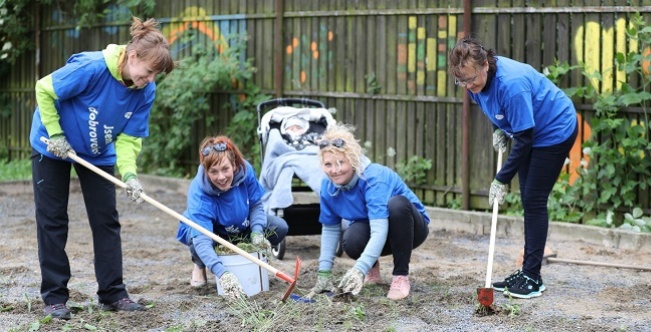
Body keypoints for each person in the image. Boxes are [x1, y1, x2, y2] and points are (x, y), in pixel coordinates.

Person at [29, 17, 175, 320]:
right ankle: (55, 297)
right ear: (132, 56)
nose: (149, 80)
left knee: (106, 220)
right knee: (53, 219)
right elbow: (44, 88)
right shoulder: (91, 68)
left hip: (97, 152)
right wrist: (56, 135)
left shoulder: (144, 91)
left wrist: (131, 175)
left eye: (154, 76)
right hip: (51, 144)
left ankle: (113, 293)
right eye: (148, 72)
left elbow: (129, 139)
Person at [449, 36, 578, 299]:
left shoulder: (512, 85)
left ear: (486, 64)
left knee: (534, 198)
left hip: (554, 129)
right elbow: (493, 107)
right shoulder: (473, 83)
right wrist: (498, 128)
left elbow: (525, 139)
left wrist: (501, 179)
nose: (467, 86)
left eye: (471, 79)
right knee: (529, 198)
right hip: (529, 130)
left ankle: (532, 277)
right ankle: (527, 272)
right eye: (461, 81)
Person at [307, 124, 430, 300]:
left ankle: (400, 276)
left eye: (341, 162)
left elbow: (380, 229)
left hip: (410, 229)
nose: (335, 170)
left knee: (397, 205)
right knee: (351, 239)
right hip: (377, 230)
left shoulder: (374, 178)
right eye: (328, 164)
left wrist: (359, 269)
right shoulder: (327, 187)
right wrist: (324, 274)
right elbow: (330, 229)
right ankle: (373, 272)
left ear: (353, 159)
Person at [176, 135, 289, 299]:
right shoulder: (199, 194)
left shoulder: (246, 171)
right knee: (197, 243)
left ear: (234, 165)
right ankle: (199, 266)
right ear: (206, 171)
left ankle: (248, 257)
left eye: (225, 169)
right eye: (213, 172)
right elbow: (202, 239)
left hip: (240, 227)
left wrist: (257, 233)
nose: (221, 177)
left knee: (279, 227)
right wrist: (222, 274)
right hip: (214, 234)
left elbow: (256, 205)